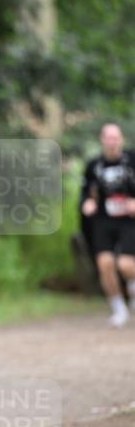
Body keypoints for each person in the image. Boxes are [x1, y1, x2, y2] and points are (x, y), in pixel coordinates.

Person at [80, 122, 135, 327]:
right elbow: (86, 192)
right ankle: (119, 308)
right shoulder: (94, 166)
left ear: (121, 139)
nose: (112, 142)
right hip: (103, 220)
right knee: (105, 264)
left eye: (115, 138)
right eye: (108, 138)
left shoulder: (132, 161)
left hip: (129, 220)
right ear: (102, 140)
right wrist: (87, 203)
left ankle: (132, 285)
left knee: (126, 264)